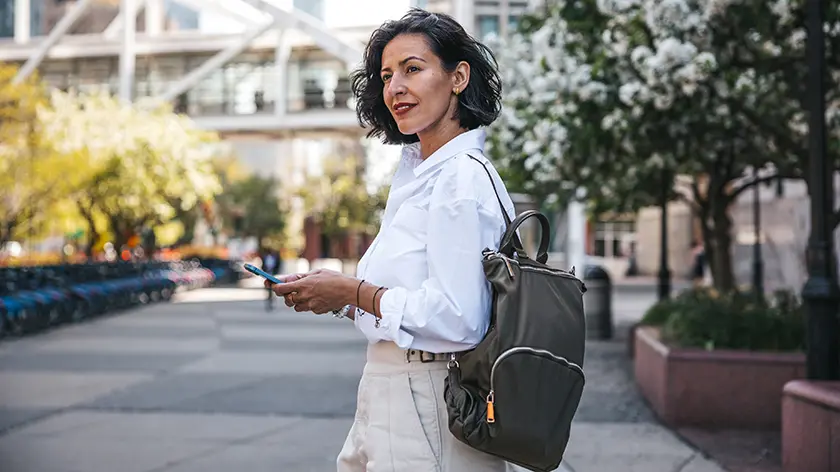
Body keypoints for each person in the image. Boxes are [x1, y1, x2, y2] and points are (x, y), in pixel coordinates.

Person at [269, 8, 518, 471]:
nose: (395, 87)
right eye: (386, 75)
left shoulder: (458, 179)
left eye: (413, 69)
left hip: (426, 395)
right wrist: (339, 297)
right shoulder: (419, 175)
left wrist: (354, 291)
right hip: (390, 387)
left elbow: (460, 320)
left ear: (458, 77)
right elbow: (413, 295)